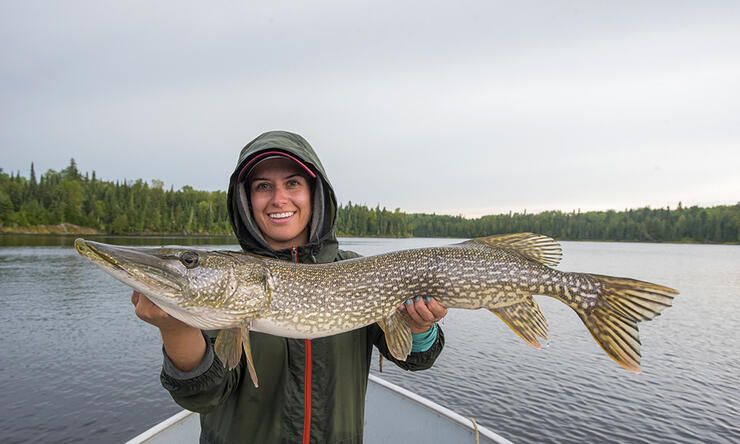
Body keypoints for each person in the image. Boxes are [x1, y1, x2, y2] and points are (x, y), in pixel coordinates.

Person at [131, 131, 448, 443]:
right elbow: (203, 397)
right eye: (263, 186)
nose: (278, 199)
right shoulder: (229, 288)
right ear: (246, 199)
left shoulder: (358, 269)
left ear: (314, 193)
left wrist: (420, 328)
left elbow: (413, 358)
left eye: (292, 183)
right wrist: (176, 329)